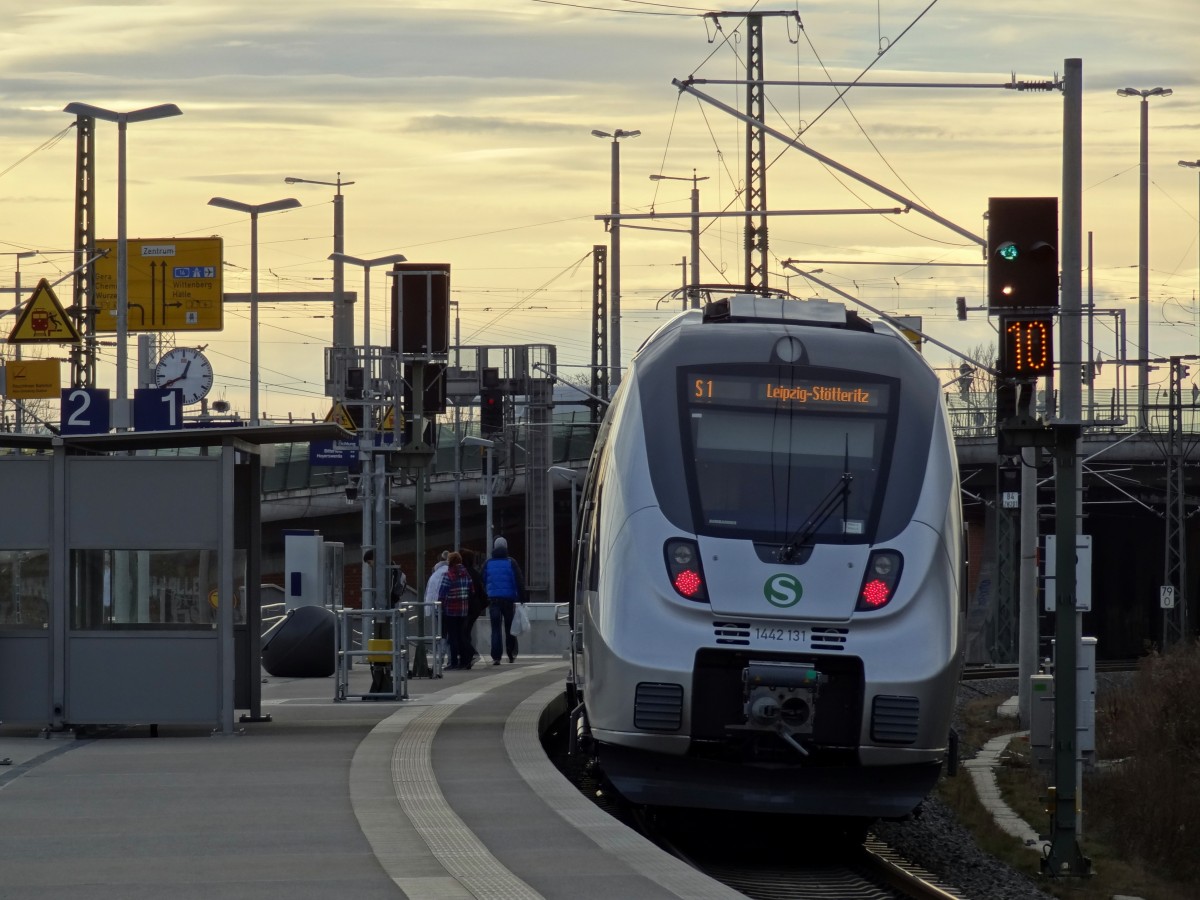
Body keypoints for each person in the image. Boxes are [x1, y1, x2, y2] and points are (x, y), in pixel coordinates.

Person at [480, 536, 527, 665]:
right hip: (508, 599)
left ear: (494, 547)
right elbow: (518, 580)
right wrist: (522, 597)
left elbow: (482, 580)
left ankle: (496, 657)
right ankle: (511, 653)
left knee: (495, 629)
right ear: (506, 547)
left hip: (493, 599)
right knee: (509, 628)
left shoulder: (488, 563)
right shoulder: (511, 562)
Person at [438, 552, 474, 670]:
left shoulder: (448, 575)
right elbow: (471, 590)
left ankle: (453, 662)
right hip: (463, 610)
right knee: (461, 635)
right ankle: (465, 660)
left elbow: (442, 593)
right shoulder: (466, 574)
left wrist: (440, 605)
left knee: (452, 637)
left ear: (451, 562)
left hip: (451, 610)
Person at [460, 548, 486, 666]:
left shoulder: (464, 573)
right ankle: (467, 659)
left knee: (461, 633)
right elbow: (481, 591)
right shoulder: (475, 573)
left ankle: (471, 654)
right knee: (466, 632)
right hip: (475, 607)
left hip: (466, 607)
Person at [424, 551, 450, 668]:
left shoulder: (434, 575)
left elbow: (429, 593)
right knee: (450, 633)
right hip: (450, 607)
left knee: (440, 633)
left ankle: (439, 658)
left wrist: (428, 609)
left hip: (436, 607)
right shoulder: (449, 571)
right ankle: (450, 657)